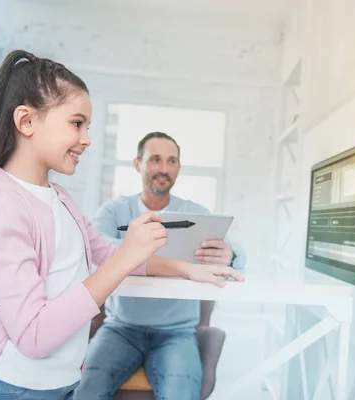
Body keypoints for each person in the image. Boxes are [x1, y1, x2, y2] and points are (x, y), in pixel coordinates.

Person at [0, 50, 243, 400]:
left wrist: (186, 269)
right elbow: (34, 335)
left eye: (88, 127)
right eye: (76, 124)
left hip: (58, 383)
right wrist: (126, 257)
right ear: (27, 121)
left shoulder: (60, 199)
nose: (87, 139)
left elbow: (109, 254)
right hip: (14, 387)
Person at [75, 132, 246, 400]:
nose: (164, 169)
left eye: (171, 161)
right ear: (137, 164)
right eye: (155, 159)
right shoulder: (114, 211)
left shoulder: (196, 213)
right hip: (121, 328)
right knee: (85, 391)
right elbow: (97, 248)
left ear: (178, 167)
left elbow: (239, 252)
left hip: (176, 333)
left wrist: (229, 254)